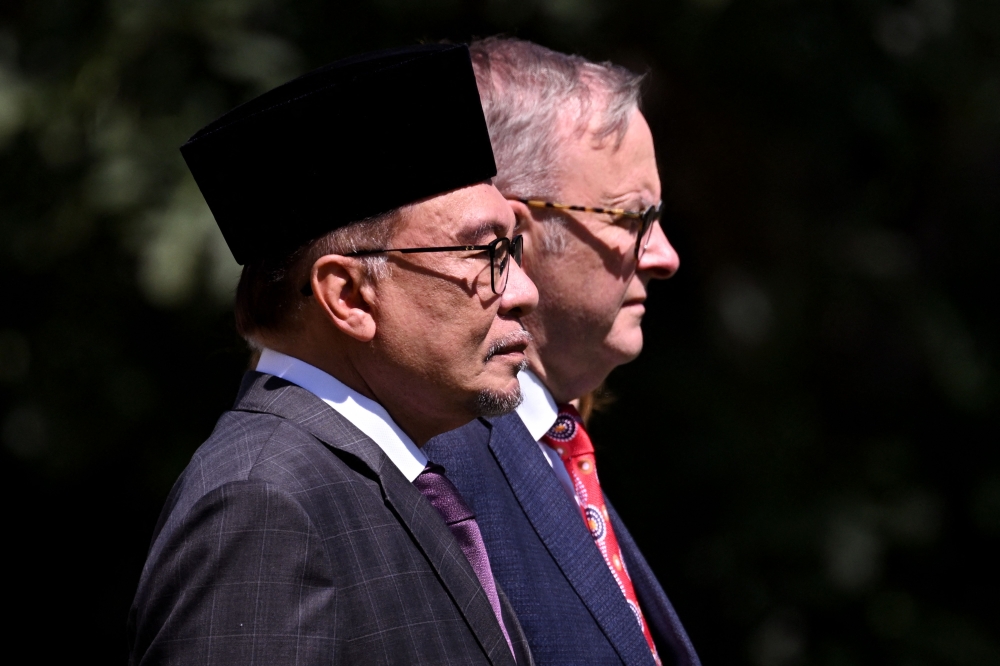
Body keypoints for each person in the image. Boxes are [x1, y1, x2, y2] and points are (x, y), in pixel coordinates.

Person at [128, 44, 538, 666]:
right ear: (348, 296)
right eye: (482, 254)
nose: (524, 292)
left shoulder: (373, 475)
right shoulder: (262, 501)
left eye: (512, 250)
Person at [423, 38, 701, 666]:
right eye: (631, 219)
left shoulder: (553, 447)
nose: (664, 257)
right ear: (512, 236)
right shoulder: (435, 474)